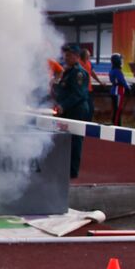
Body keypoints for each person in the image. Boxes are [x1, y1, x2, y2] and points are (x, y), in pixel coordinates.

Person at [53, 44, 92, 179]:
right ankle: (64, 167)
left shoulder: (78, 73)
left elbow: (78, 94)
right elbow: (62, 90)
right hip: (67, 109)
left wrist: (63, 105)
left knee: (75, 140)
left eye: (69, 55)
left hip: (77, 110)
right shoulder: (67, 72)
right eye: (65, 55)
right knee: (64, 139)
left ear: (76, 56)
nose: (66, 58)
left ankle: (72, 171)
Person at [108, 53, 129, 125]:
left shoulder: (112, 70)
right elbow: (122, 81)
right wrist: (127, 87)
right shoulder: (117, 71)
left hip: (115, 90)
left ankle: (116, 123)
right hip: (118, 91)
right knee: (118, 110)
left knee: (116, 109)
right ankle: (117, 125)